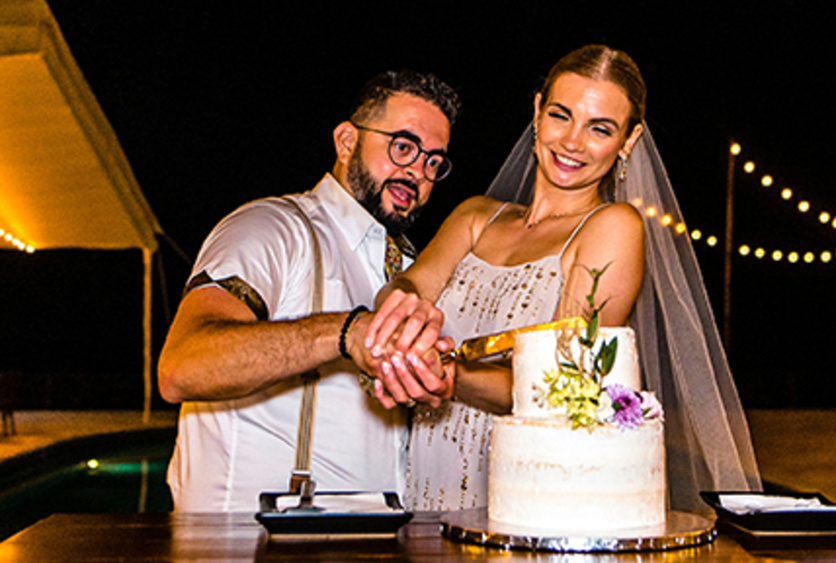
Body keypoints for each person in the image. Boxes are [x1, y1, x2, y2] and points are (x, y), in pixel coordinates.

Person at [367, 45, 762, 513]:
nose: (573, 142)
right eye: (561, 115)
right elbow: (409, 285)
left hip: (522, 480)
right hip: (428, 461)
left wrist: (448, 376)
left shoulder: (612, 228)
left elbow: (561, 382)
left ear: (629, 141)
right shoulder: (475, 216)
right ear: (537, 111)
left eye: (600, 129)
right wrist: (402, 314)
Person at [157, 70, 460, 512]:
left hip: (373, 541)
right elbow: (182, 365)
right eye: (402, 146)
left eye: (433, 161)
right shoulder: (271, 227)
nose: (417, 171)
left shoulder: (413, 271)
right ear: (346, 142)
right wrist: (346, 333)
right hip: (251, 543)